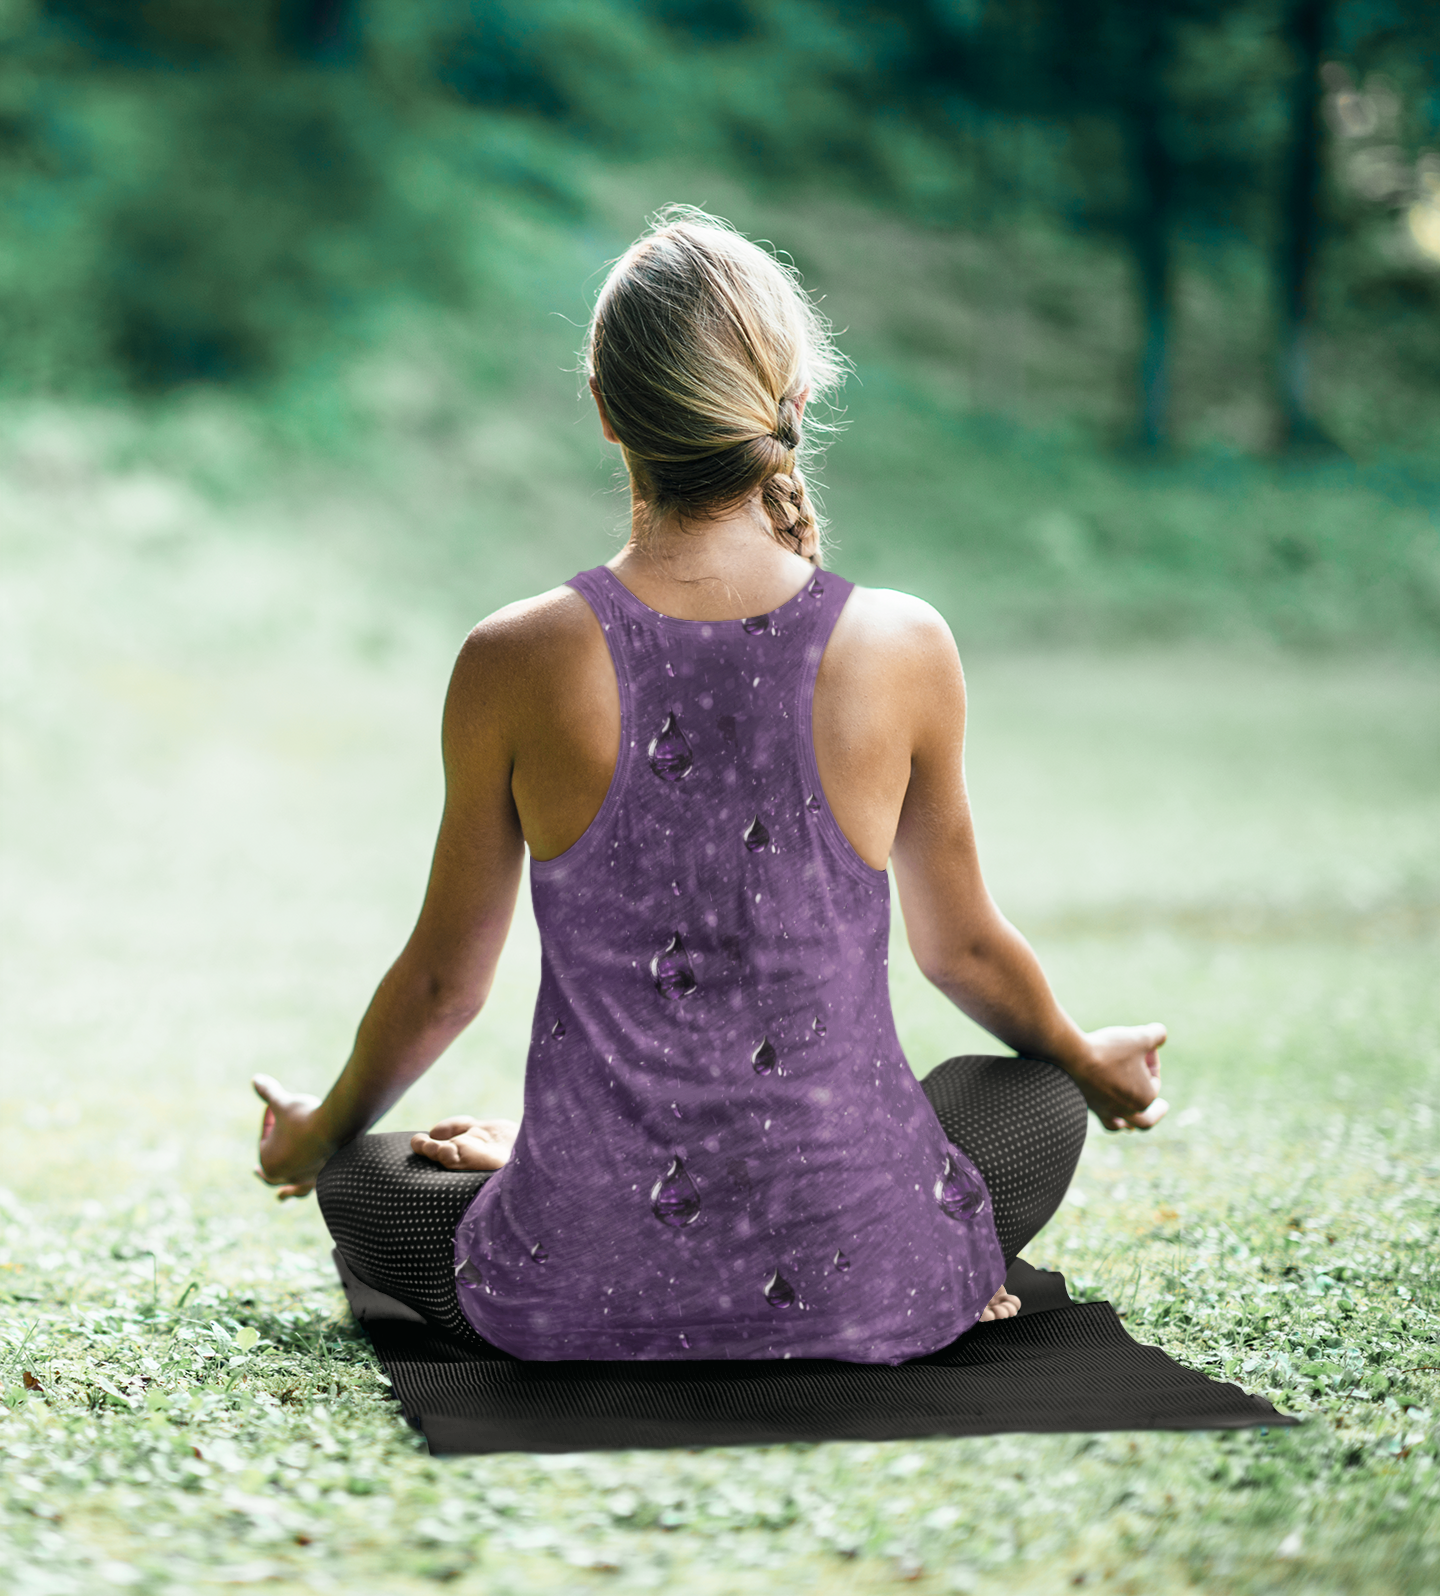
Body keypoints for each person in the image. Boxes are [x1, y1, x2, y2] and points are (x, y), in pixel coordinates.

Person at [254, 208, 1167, 1363]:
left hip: (581, 1285)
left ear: (605, 411)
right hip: (862, 1280)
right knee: (1029, 1091)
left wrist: (314, 1133)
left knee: (369, 1176)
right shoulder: (904, 644)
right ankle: (925, 1248)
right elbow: (967, 956)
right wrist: (1090, 1062)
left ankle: (542, 1171)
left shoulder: (511, 658)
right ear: (790, 404)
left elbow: (445, 983)